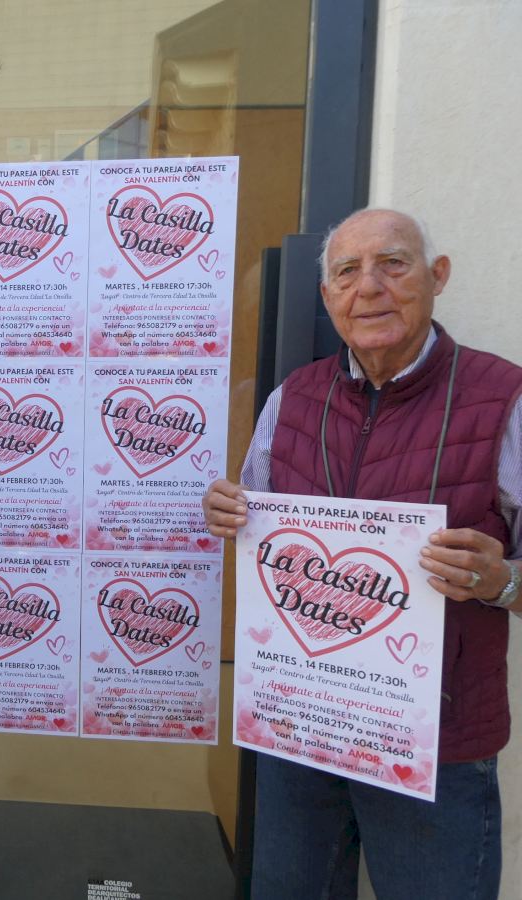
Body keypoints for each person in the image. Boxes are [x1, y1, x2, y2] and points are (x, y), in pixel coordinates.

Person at [204, 209, 522, 900]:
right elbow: (254, 515)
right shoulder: (292, 398)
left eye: (393, 264)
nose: (369, 287)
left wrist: (501, 582)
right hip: (299, 731)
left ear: (437, 276)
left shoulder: (505, 398)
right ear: (328, 297)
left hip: (434, 747)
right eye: (347, 272)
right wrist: (228, 512)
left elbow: (512, 581)